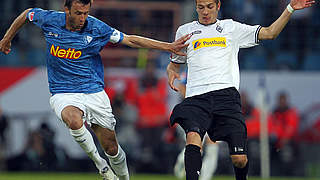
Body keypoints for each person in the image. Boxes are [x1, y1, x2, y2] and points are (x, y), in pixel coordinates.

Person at [0, 0, 190, 179]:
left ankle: (123, 177)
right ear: (66, 9)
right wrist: (7, 38)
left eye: (86, 13)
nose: (83, 18)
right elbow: (26, 14)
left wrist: (167, 46)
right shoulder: (50, 19)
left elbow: (130, 40)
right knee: (74, 121)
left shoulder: (97, 28)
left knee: (112, 148)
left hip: (93, 92)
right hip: (63, 92)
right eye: (78, 13)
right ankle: (101, 166)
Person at [166, 0, 314, 180]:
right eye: (201, 7)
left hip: (225, 96)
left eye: (210, 7)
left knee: (239, 159)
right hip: (196, 97)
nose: (205, 12)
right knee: (193, 138)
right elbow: (175, 65)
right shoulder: (184, 31)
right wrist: (172, 72)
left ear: (218, 6)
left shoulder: (231, 28)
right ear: (196, 7)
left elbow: (270, 33)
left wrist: (290, 8)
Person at [173, 69, 219, 180]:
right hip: (193, 113)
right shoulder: (193, 68)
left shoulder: (217, 69)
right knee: (197, 145)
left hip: (211, 113)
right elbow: (181, 86)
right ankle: (181, 163)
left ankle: (205, 178)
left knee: (213, 145)